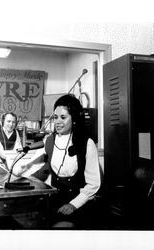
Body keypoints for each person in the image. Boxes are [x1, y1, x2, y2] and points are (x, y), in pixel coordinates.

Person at [18, 94, 101, 229]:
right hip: (55, 202)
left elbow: (94, 184)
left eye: (63, 117)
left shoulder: (87, 144)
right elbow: (37, 166)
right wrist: (20, 175)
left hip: (78, 204)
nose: (57, 121)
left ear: (74, 118)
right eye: (55, 117)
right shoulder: (49, 141)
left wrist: (73, 204)